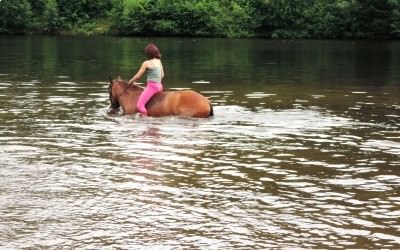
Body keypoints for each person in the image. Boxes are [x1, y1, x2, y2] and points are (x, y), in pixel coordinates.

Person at [128, 43, 164, 115]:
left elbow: (138, 76)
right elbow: (162, 75)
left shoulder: (147, 63)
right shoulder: (159, 61)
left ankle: (146, 121)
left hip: (152, 87)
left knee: (139, 106)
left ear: (148, 53)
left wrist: (131, 81)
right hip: (160, 86)